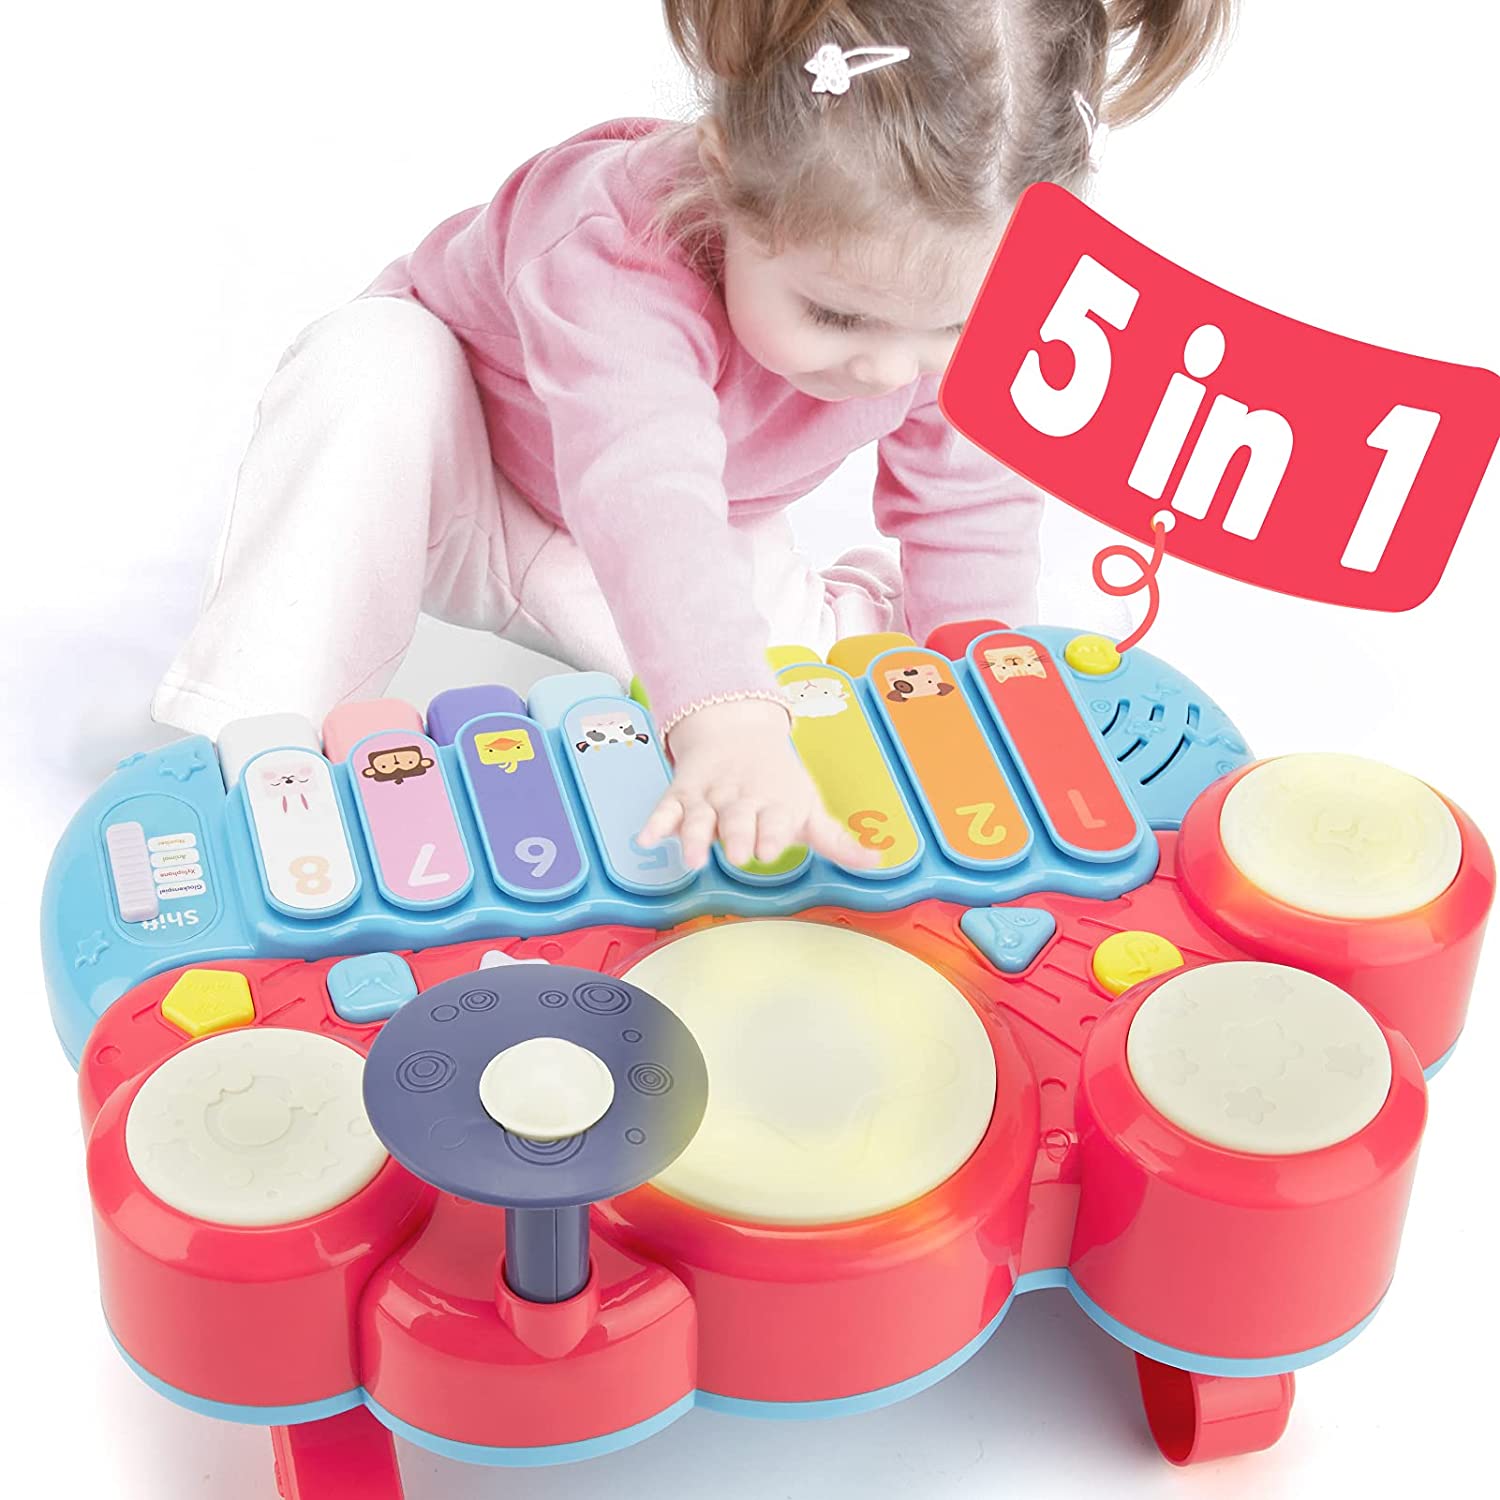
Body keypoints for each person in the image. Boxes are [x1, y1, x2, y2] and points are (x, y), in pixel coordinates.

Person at [153, 0, 1233, 872]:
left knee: (821, 714)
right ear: (723, 175)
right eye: (836, 316)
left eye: (950, 329)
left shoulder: (950, 301)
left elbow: (970, 495)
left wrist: (980, 687)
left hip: (693, 535)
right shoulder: (610, 241)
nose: (889, 370)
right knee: (370, 359)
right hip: (463, 484)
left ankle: (857, 622)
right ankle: (247, 735)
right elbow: (644, 484)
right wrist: (722, 711)